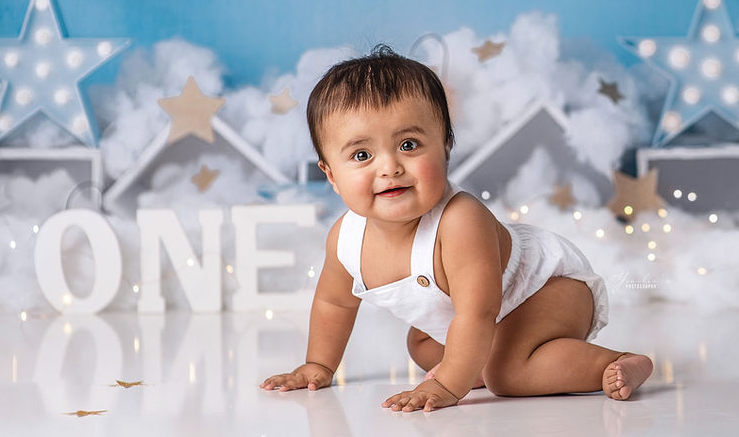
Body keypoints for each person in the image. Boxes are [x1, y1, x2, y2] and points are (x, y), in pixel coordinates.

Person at [260, 46, 653, 412]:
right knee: (421, 343)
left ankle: (615, 363)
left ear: (445, 147)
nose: (389, 167)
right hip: (481, 317)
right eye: (362, 155)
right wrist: (318, 365)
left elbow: (478, 313)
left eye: (409, 145)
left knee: (505, 373)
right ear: (330, 174)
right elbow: (335, 304)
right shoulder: (345, 240)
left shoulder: (460, 221)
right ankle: (483, 361)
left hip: (546, 292)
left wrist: (448, 384)